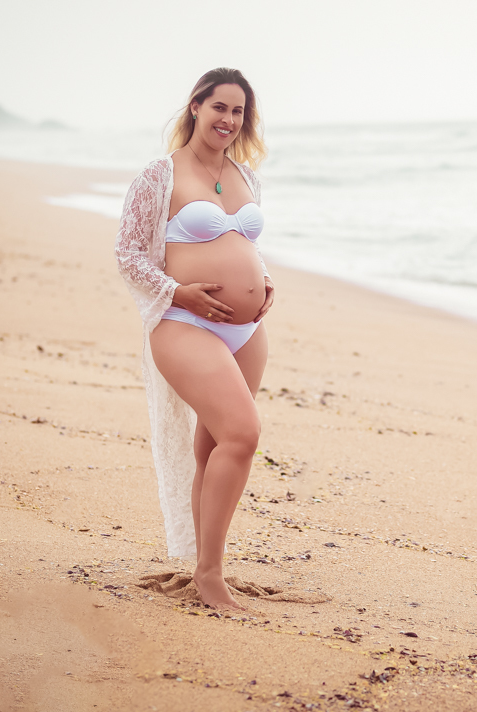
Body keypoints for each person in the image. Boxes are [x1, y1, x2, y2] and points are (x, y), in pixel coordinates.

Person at [115, 67, 274, 609]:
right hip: (186, 324)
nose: (228, 119)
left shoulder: (246, 176)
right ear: (196, 107)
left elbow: (244, 244)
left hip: (246, 331)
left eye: (238, 111)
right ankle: (209, 576)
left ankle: (208, 565)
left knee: (214, 447)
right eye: (219, 107)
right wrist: (179, 293)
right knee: (243, 434)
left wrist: (264, 279)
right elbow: (128, 253)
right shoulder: (160, 175)